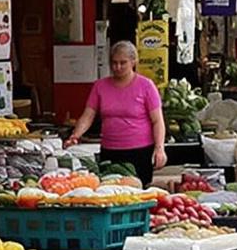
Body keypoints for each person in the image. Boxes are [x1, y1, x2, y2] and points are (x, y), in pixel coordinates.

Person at [69, 40, 166, 180]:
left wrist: (159, 148)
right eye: (114, 63)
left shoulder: (146, 86)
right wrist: (76, 135)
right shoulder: (100, 86)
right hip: (110, 150)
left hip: (140, 151)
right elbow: (88, 115)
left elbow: (157, 121)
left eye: (123, 63)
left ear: (133, 62)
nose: (118, 67)